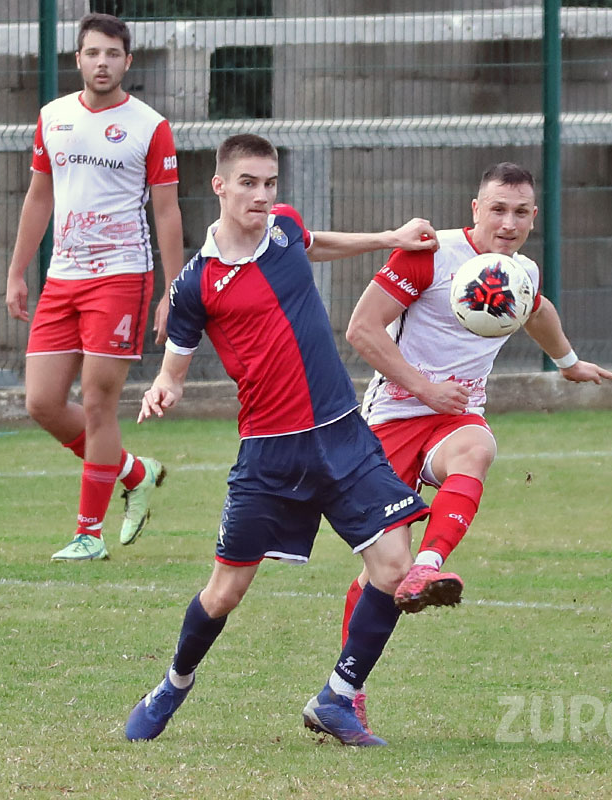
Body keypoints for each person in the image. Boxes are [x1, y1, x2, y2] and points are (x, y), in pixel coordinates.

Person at [123, 134, 440, 747]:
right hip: (271, 454)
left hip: (344, 435)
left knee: (394, 568)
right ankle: (173, 684)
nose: (262, 196)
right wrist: (163, 387)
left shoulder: (285, 228)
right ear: (219, 186)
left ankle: (337, 699)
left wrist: (389, 238)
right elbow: (174, 367)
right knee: (225, 594)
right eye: (248, 183)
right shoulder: (195, 283)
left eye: (270, 183)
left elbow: (315, 242)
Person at [340, 161, 612, 729]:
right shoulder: (427, 254)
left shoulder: (522, 271)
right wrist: (424, 388)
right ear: (476, 209)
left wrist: (567, 362)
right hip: (390, 420)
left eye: (520, 213)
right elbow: (361, 329)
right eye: (498, 209)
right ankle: (345, 691)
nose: (508, 223)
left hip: (455, 419)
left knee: (477, 449)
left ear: (534, 217)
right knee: (382, 576)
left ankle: (429, 566)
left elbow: (536, 310)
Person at [5, 13, 184, 561]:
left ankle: (90, 535)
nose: (101, 63)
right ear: (78, 59)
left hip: (122, 276)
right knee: (41, 402)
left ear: (127, 62)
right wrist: (17, 271)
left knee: (98, 403)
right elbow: (39, 196)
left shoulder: (149, 126)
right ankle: (135, 472)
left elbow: (167, 211)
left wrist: (172, 289)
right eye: (92, 53)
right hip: (62, 277)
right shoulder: (53, 117)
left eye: (112, 53)